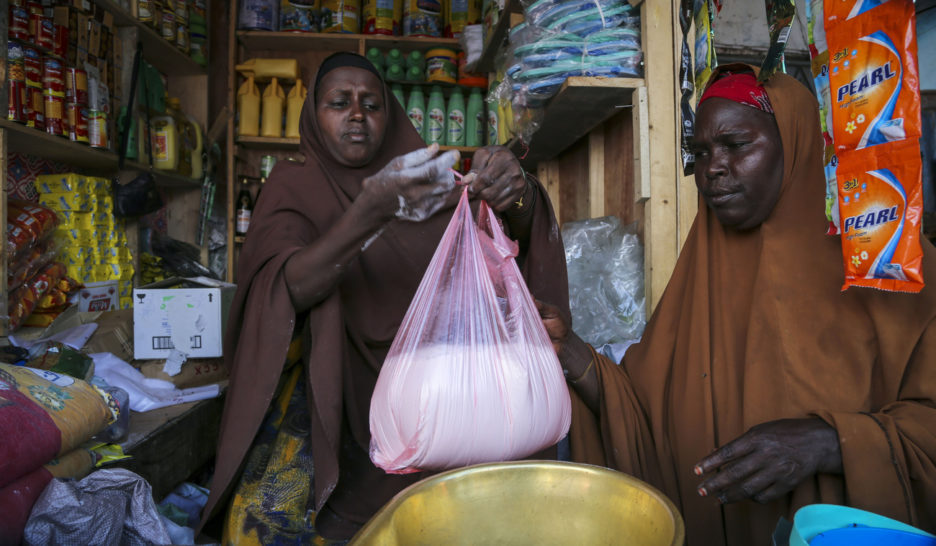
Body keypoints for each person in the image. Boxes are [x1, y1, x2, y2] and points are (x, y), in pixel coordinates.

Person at [539, 64, 936, 544]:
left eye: (737, 145)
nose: (713, 168)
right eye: (700, 152)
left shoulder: (890, 264)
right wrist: (572, 352)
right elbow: (645, 416)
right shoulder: (703, 271)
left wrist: (832, 442)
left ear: (797, 142)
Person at [200, 52, 569, 543]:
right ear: (315, 114)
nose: (357, 114)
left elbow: (505, 239)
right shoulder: (296, 184)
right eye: (339, 103)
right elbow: (284, 285)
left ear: (390, 115)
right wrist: (372, 209)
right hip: (353, 410)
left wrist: (515, 189)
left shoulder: (428, 184)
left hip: (455, 403)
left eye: (371, 104)